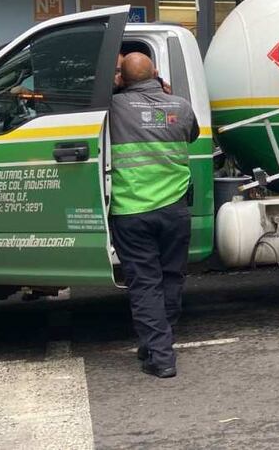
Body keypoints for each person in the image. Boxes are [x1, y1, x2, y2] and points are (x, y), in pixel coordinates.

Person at [109, 52, 199, 378]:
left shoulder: (112, 108)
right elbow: (192, 135)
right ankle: (154, 344)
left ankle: (161, 356)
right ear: (157, 73)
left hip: (131, 210)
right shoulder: (181, 106)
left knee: (145, 283)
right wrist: (164, 96)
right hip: (174, 208)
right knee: (171, 278)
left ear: (122, 78)